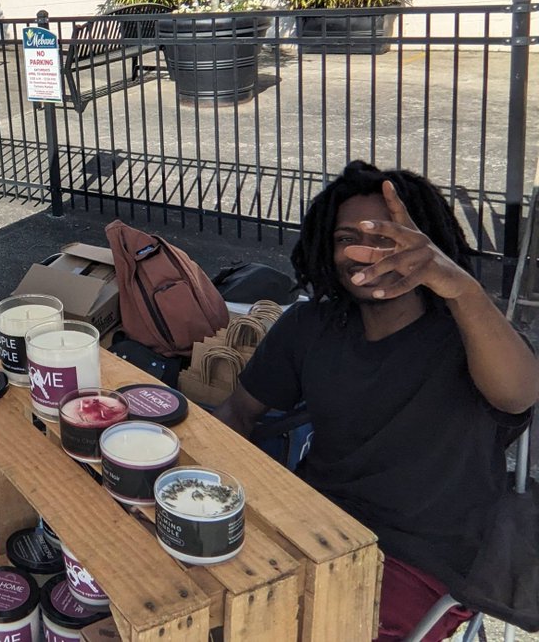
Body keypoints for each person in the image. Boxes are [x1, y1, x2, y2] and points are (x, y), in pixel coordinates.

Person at [215, 160, 539, 642]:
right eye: (347, 238)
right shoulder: (310, 326)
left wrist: (461, 288)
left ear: (429, 247)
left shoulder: (470, 334)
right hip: (313, 529)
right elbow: (239, 411)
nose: (366, 254)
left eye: (388, 239)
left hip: (424, 561)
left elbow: (518, 394)